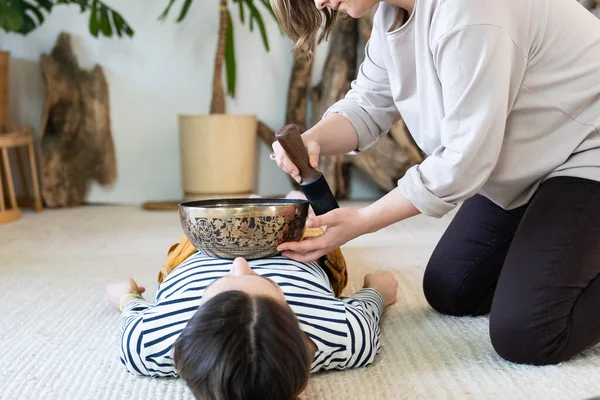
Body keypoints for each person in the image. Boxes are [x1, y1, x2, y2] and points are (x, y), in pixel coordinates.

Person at [269, 0, 600, 366]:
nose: (319, 3)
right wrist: (312, 139)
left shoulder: (469, 11)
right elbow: (368, 105)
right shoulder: (393, 14)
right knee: (452, 289)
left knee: (529, 333)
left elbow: (464, 160)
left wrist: (362, 221)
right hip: (536, 162)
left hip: (588, 149)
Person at [105, 225, 398, 399]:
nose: (241, 262)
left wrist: (125, 295)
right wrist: (379, 289)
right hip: (297, 245)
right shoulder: (346, 333)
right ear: (294, 323)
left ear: (194, 323)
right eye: (268, 284)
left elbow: (131, 306)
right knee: (306, 221)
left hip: (202, 249)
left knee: (213, 219)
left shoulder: (146, 344)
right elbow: (375, 298)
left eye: (220, 284)